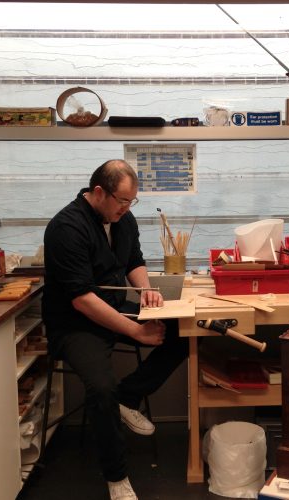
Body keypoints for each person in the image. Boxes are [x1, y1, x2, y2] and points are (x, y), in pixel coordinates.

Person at [42, 159, 188, 500]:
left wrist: (144, 289)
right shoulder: (66, 228)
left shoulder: (123, 218)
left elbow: (133, 259)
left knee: (184, 334)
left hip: (114, 307)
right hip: (75, 322)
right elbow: (82, 300)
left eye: (131, 201)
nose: (127, 208)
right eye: (122, 201)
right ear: (98, 192)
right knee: (101, 387)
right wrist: (136, 332)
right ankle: (116, 476)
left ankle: (128, 397)